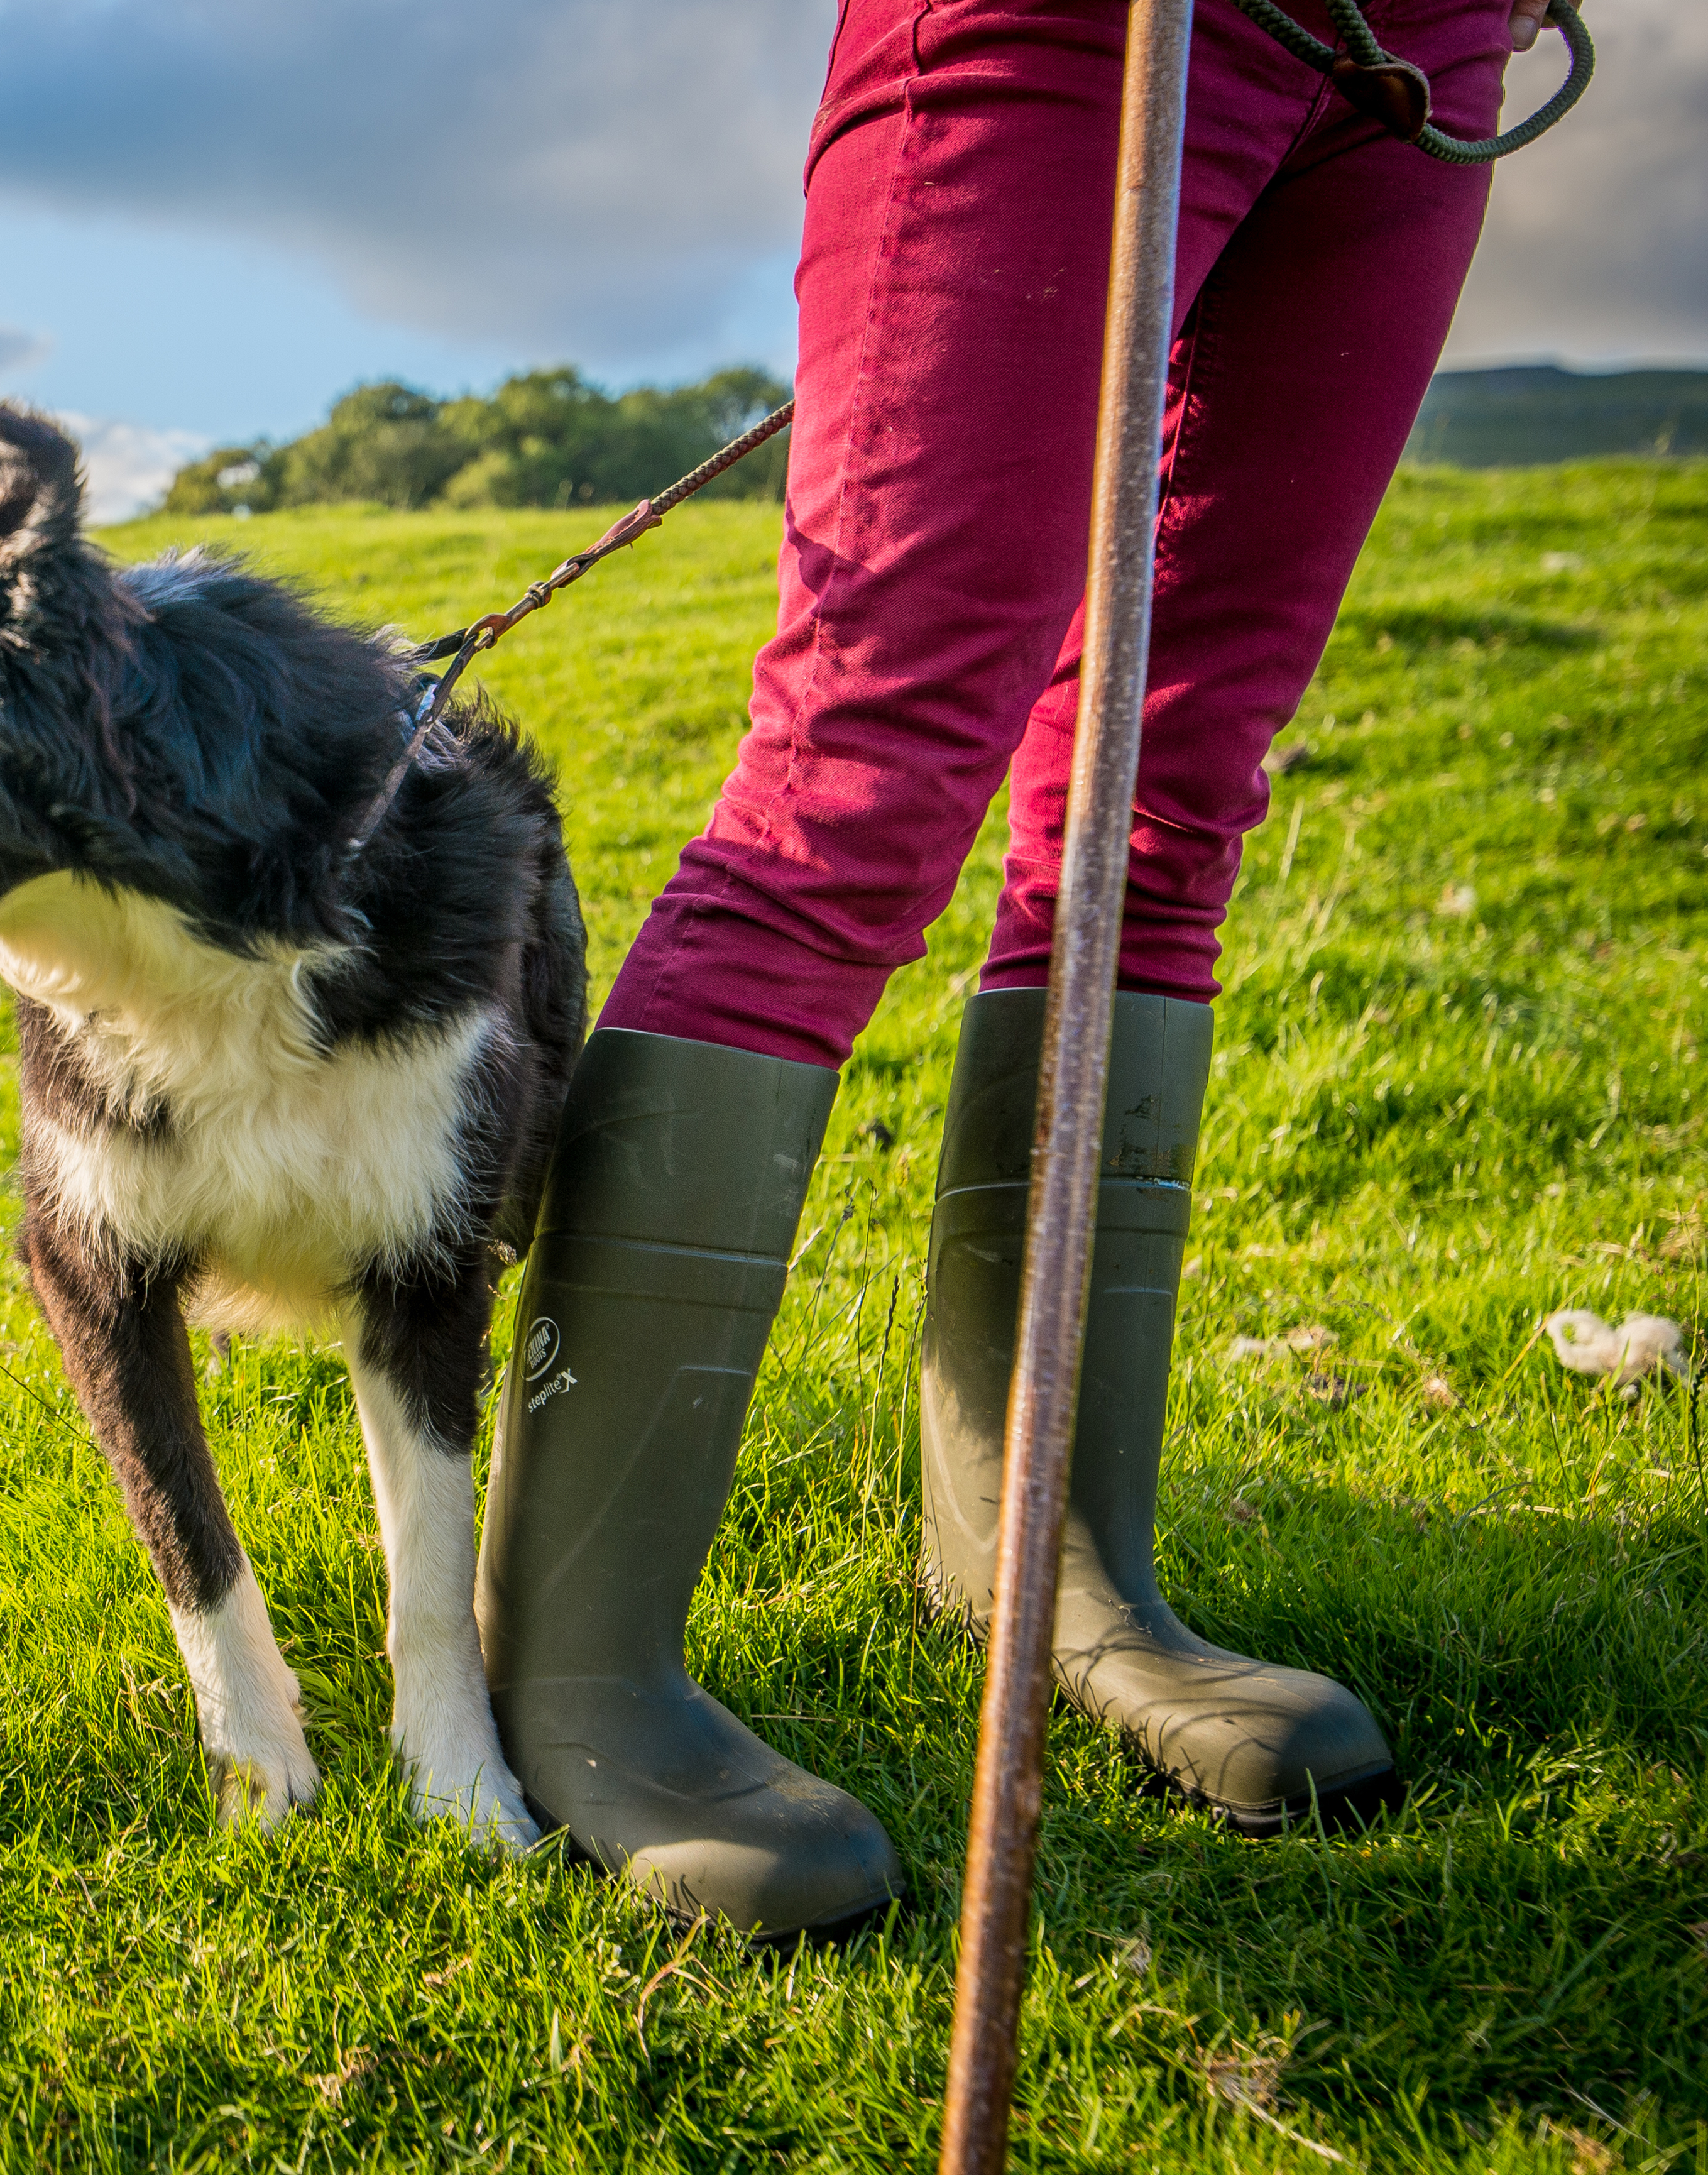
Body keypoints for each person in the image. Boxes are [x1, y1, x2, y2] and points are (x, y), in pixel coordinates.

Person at [478, 0, 1554, 1937]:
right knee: (862, 768)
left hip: (1416, 60)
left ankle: (1051, 1563)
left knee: (1168, 797)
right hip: (1082, 26)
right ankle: (582, 1667)